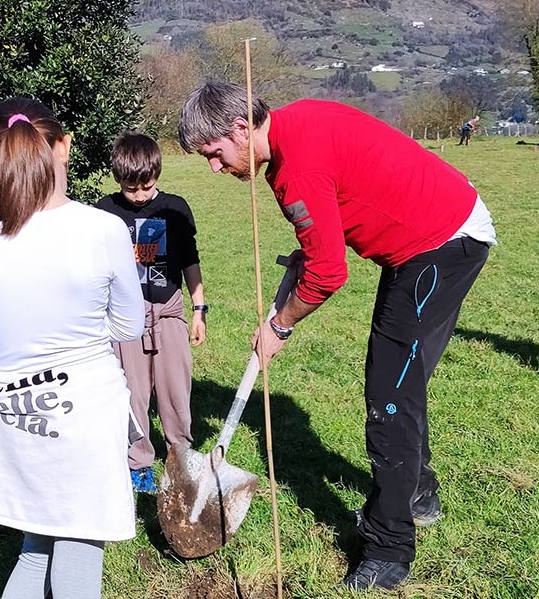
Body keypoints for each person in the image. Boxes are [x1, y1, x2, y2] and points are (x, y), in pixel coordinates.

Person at [177, 82, 495, 592]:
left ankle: (388, 548)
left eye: (214, 153)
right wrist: (310, 249)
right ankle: (417, 492)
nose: (215, 167)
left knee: (389, 397)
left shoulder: (294, 171)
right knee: (401, 383)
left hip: (438, 242)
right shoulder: (296, 124)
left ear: (239, 128)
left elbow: (328, 273)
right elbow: (338, 202)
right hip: (441, 231)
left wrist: (279, 324)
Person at [0, 98, 145, 599]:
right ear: (64, 147)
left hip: (14, 415)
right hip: (82, 413)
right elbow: (129, 325)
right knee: (79, 550)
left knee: (36, 545)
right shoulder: (104, 229)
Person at [95, 132, 207, 494]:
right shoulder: (104, 212)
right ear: (118, 179)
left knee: (176, 391)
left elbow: (190, 260)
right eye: (132, 189)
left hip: (169, 312)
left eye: (147, 186)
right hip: (126, 319)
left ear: (157, 173)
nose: (141, 195)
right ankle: (138, 462)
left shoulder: (175, 208)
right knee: (132, 394)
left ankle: (180, 458)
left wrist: (199, 309)